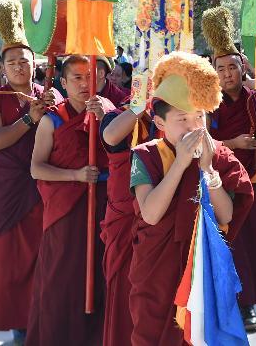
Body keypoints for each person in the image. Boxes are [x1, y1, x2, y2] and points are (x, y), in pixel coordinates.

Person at [129, 52, 253, 346]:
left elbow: (227, 216)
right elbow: (150, 214)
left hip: (202, 268)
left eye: (199, 116)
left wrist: (208, 169)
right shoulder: (145, 156)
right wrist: (182, 163)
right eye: (182, 118)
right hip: (157, 274)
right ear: (160, 122)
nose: (194, 126)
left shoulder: (218, 154)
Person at [0, 0, 61, 344]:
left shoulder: (48, 94)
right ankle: (18, 326)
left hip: (43, 186)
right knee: (11, 261)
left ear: (35, 63)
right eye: (12, 63)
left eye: (24, 61)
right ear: (2, 68)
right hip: (11, 189)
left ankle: (42, 319)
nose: (19, 68)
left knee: (44, 258)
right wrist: (29, 118)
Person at [201, 5, 256, 332]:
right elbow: (202, 139)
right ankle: (230, 300)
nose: (227, 74)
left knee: (252, 242)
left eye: (232, 67)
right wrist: (232, 144)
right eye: (221, 69)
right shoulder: (210, 102)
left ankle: (250, 303)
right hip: (222, 182)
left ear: (241, 67)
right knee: (227, 241)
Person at [28, 55, 115, 345]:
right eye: (76, 78)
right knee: (62, 279)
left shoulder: (112, 113)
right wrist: (76, 176)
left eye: (90, 76)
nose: (84, 84)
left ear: (101, 79)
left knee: (103, 277)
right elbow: (36, 168)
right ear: (63, 83)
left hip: (105, 206)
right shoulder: (53, 120)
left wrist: (105, 120)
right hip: (67, 210)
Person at [95, 95, 154, 346]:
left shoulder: (172, 117)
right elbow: (110, 137)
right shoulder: (117, 115)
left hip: (159, 216)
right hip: (124, 216)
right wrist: (140, 106)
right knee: (124, 288)